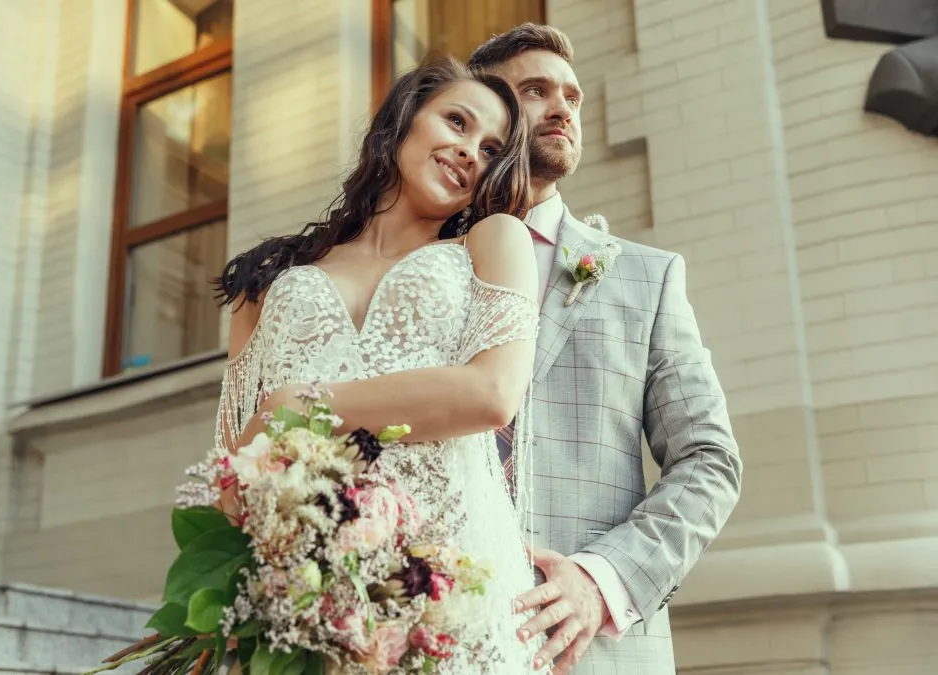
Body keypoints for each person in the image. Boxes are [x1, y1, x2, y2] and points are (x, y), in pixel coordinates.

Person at [197, 55, 542, 673]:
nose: (470, 151)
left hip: (446, 578)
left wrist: (302, 407)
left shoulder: (490, 243)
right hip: (304, 588)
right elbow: (233, 461)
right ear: (403, 120)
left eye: (491, 149)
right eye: (457, 122)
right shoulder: (269, 277)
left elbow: (493, 394)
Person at [466, 23, 744, 675]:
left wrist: (601, 580)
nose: (563, 108)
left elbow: (709, 460)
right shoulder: (417, 268)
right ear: (485, 112)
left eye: (572, 96)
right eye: (535, 91)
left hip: (594, 655)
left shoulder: (648, 276)